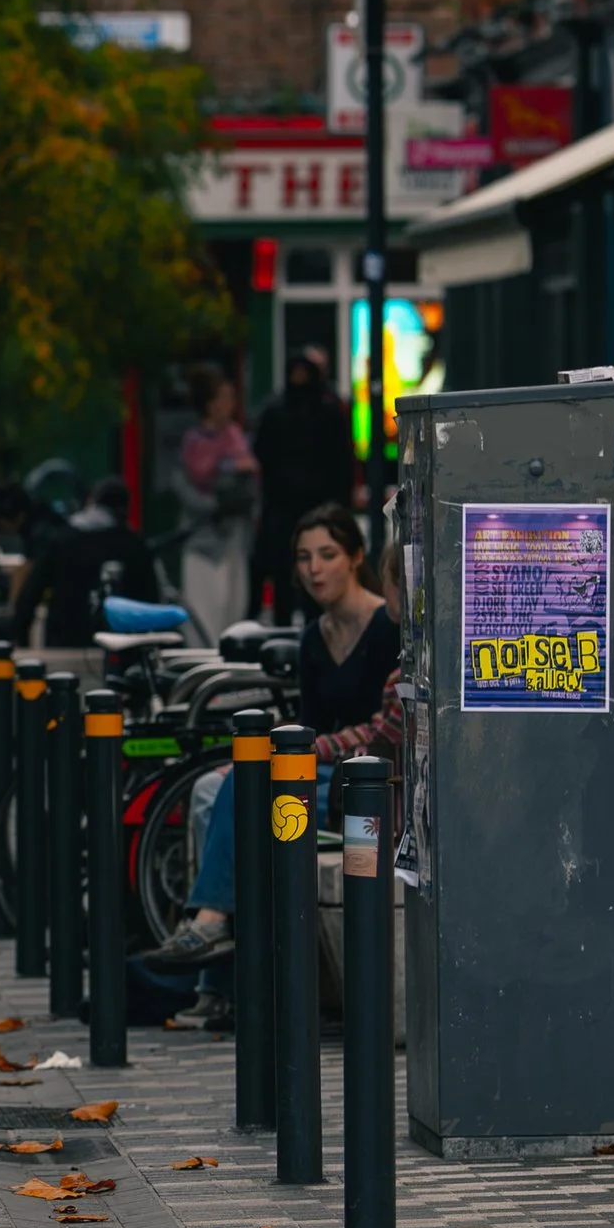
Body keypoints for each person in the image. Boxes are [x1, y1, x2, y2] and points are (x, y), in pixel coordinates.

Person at [158, 502, 400, 966]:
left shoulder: (387, 626)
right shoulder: (313, 636)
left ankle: (212, 925)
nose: (314, 569)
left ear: (354, 557)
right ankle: (223, 961)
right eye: (304, 557)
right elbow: (308, 721)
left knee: (246, 787)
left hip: (363, 782)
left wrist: (299, 751)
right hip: (321, 768)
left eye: (327, 554)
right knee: (216, 787)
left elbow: (381, 727)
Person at [252, 347, 357, 615]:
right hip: (283, 511)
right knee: (284, 576)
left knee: (317, 573)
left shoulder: (329, 411)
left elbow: (341, 460)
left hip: (317, 509)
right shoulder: (275, 412)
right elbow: (264, 456)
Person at [10, 474, 162, 649]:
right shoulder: (134, 546)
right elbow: (151, 603)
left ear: (91, 501)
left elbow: (31, 591)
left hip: (64, 642)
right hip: (118, 647)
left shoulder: (62, 539)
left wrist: (19, 637)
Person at [174, 367, 258, 644]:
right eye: (223, 398)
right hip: (202, 542)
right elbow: (185, 487)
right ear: (209, 404)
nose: (229, 405)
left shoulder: (236, 437)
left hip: (233, 540)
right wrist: (213, 504)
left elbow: (251, 480)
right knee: (202, 619)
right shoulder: (192, 442)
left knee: (231, 616)